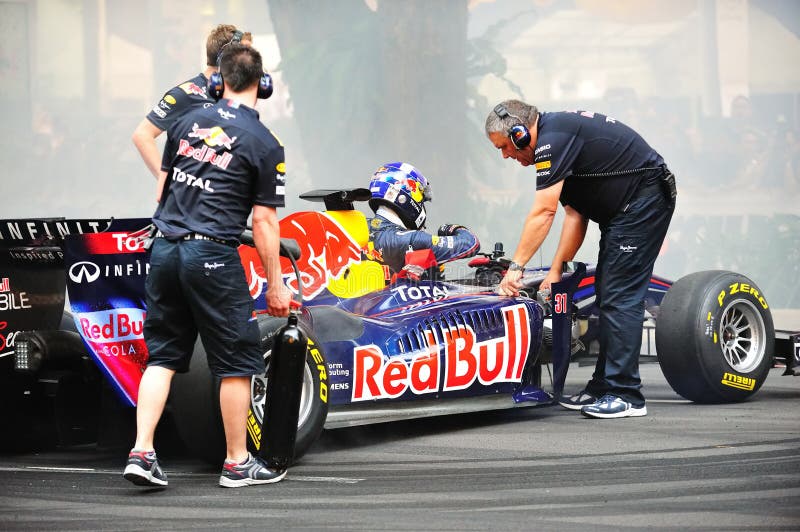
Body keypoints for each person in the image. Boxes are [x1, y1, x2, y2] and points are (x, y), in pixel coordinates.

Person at [123, 42, 291, 489]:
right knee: (235, 362)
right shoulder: (265, 143)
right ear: (264, 85)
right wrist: (276, 285)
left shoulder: (184, 123)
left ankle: (142, 452)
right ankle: (237, 462)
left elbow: (162, 193)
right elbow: (264, 221)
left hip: (164, 250)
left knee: (162, 357)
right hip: (212, 256)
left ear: (217, 81)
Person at [485, 100, 676, 419]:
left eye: (505, 147)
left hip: (644, 200)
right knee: (607, 293)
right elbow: (575, 216)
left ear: (520, 134)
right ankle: (604, 386)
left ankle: (626, 395)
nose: (506, 155)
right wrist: (556, 270)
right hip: (625, 210)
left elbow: (543, 212)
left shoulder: (551, 141)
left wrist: (515, 269)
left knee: (620, 296)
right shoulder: (558, 138)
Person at [132, 24, 252, 180]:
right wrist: (166, 181)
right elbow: (142, 134)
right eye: (247, 55)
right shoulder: (185, 93)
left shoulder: (235, 96)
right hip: (194, 200)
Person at [366, 162, 480, 279]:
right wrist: (452, 229)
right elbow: (470, 243)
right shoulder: (411, 239)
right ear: (404, 195)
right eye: (420, 198)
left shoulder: (359, 227)